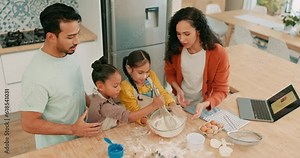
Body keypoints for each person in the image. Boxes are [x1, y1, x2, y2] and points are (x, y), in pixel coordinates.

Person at [20, 3, 101, 149]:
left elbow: (73, 89)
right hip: (58, 148)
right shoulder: (36, 76)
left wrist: (95, 106)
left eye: (77, 34)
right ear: (51, 37)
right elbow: (28, 123)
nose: (77, 41)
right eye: (70, 37)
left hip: (82, 138)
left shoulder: (67, 51)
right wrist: (73, 129)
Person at [164, 7, 230, 119]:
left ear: (198, 30)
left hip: (204, 106)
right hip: (181, 104)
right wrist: (178, 90)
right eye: (178, 34)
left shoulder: (218, 53)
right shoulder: (176, 49)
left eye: (186, 34)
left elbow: (222, 90)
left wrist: (205, 103)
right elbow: (169, 73)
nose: (182, 39)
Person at [87, 57, 164, 130]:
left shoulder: (97, 95)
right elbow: (129, 117)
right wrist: (154, 105)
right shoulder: (104, 105)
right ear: (100, 86)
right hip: (101, 135)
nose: (119, 89)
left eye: (119, 84)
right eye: (115, 86)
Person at [119, 50, 184, 125]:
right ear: (129, 69)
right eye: (140, 72)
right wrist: (153, 123)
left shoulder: (151, 75)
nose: (144, 76)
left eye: (147, 71)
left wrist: (172, 105)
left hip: (157, 117)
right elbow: (134, 115)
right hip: (140, 125)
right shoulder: (125, 87)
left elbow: (162, 92)